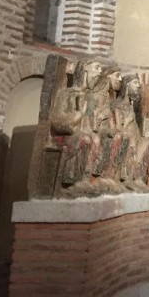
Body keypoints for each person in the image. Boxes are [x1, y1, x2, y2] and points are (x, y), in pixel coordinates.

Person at [50, 59, 105, 197]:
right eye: (96, 67)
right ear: (84, 70)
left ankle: (85, 178)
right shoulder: (67, 93)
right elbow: (57, 122)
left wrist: (96, 120)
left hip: (82, 135)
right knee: (85, 139)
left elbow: (90, 126)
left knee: (96, 139)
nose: (100, 72)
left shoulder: (89, 97)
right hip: (65, 136)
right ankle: (69, 181)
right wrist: (78, 116)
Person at [111, 74, 149, 192]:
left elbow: (135, 128)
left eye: (138, 83)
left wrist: (143, 135)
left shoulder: (131, 106)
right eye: (135, 83)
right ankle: (126, 177)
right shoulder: (117, 104)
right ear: (126, 86)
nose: (138, 86)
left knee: (148, 143)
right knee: (130, 140)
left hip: (134, 137)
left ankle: (137, 176)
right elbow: (118, 127)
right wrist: (128, 121)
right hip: (124, 137)